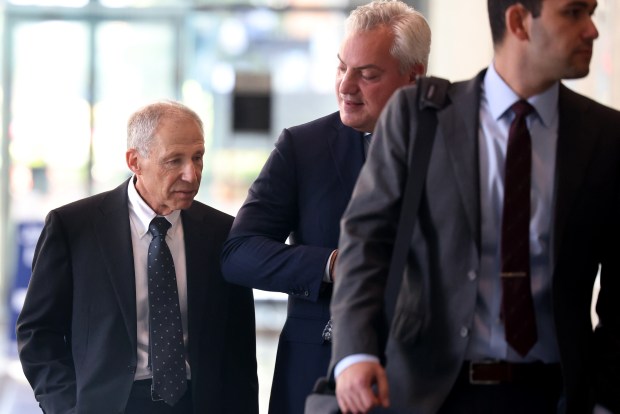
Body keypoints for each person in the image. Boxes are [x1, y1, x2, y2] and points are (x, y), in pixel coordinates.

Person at [331, 0, 620, 413]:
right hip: (433, 394)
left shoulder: (606, 137)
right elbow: (366, 242)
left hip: (557, 395)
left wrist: (607, 401)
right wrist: (355, 354)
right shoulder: (419, 117)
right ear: (519, 21)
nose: (592, 30)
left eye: (591, 13)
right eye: (574, 13)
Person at [220, 1, 431, 413]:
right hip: (319, 371)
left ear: (414, 77)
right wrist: (334, 265)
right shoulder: (303, 147)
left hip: (427, 376)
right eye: (341, 68)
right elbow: (238, 253)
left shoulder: (456, 145)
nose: (346, 86)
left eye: (367, 74)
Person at [16, 100, 259, 414]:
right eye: (174, 160)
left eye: (198, 157)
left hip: (197, 403)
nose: (191, 173)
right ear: (135, 161)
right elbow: (38, 332)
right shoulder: (74, 227)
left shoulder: (222, 232)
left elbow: (238, 345)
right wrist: (65, 408)